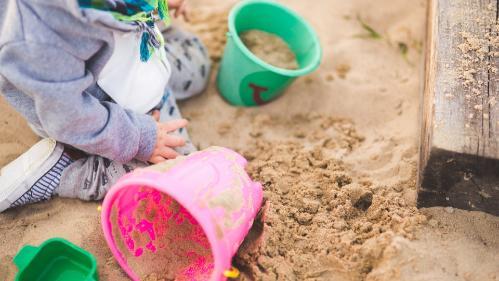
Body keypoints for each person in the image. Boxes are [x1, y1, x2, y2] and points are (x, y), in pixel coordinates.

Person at [0, 0, 211, 212]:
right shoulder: (37, 37)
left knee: (197, 66)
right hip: (101, 116)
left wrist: (156, 4)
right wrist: (141, 138)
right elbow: (70, 119)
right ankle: (65, 171)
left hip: (136, 57)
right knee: (178, 171)